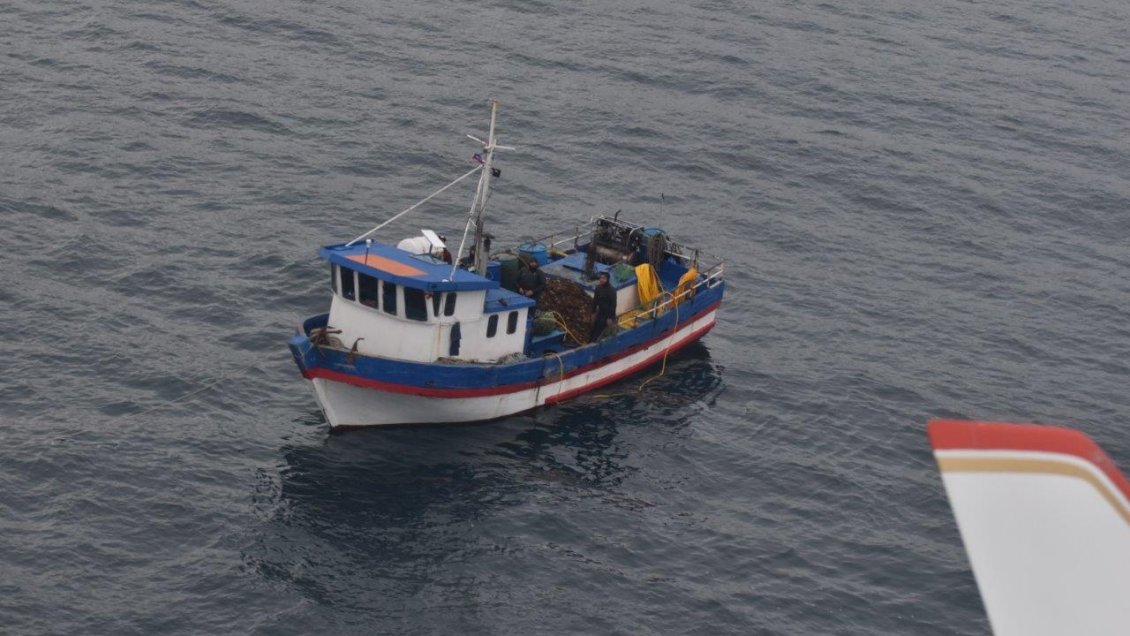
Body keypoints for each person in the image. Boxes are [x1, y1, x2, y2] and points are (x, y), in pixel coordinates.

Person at [588, 271, 616, 343]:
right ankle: (590, 342)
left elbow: (613, 305)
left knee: (600, 329)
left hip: (608, 314)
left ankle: (595, 343)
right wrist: (593, 312)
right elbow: (595, 301)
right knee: (593, 328)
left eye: (604, 278)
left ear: (607, 280)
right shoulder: (598, 288)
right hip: (600, 312)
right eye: (600, 278)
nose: (601, 280)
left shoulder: (612, 291)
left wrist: (610, 318)